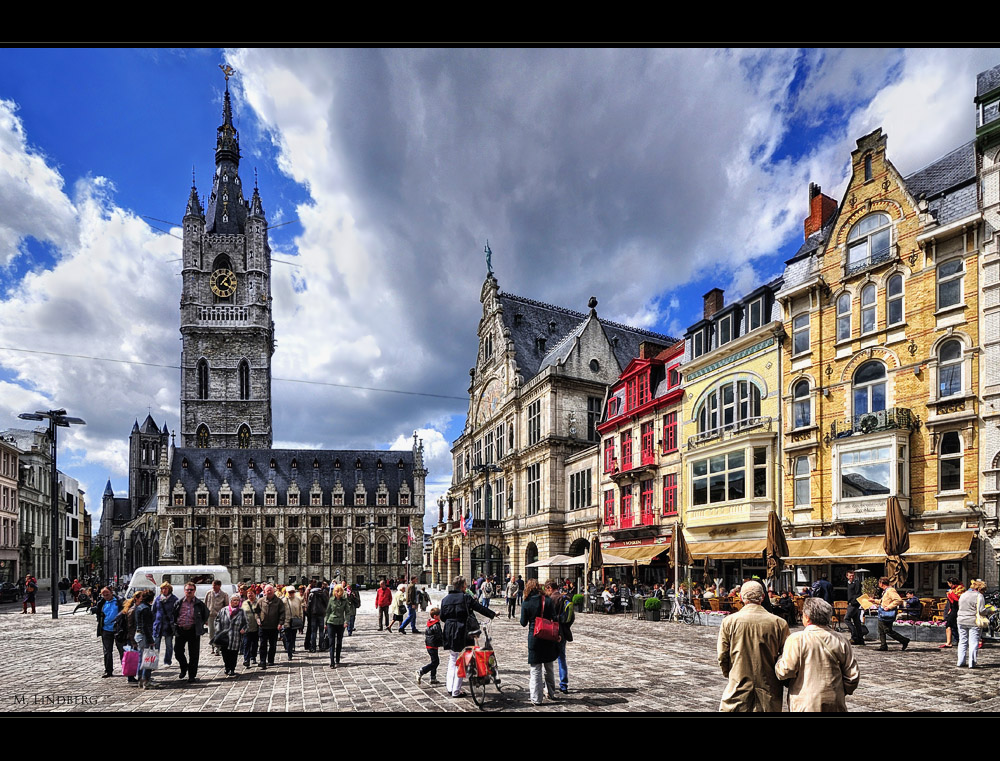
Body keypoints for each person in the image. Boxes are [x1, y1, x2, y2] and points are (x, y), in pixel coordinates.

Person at [774, 597, 860, 712]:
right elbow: (852, 676)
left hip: (805, 701)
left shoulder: (797, 639)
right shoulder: (841, 640)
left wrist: (779, 661)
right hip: (834, 700)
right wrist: (840, 691)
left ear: (807, 617)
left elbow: (785, 671)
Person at [717, 580, 790, 712]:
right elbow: (787, 657)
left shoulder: (729, 622)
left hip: (738, 683)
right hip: (769, 686)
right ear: (762, 597)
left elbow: (722, 655)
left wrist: (730, 674)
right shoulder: (779, 623)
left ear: (741, 597)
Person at [441, 575, 496, 698]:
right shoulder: (466, 598)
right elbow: (480, 608)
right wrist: (492, 614)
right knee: (462, 659)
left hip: (449, 630)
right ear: (463, 586)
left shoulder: (445, 599)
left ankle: (450, 687)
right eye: (465, 585)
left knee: (453, 658)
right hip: (462, 630)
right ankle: (456, 690)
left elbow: (443, 617)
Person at [521, 579, 560, 706]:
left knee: (536, 669)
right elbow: (554, 618)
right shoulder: (547, 600)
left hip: (534, 637)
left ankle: (536, 698)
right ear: (539, 587)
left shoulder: (526, 602)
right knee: (549, 667)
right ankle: (551, 692)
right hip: (548, 637)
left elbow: (523, 622)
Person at [174, 582, 210, 682]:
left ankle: (192, 676)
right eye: (187, 589)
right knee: (178, 651)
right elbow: (174, 614)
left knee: (194, 654)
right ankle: (184, 667)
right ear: (184, 591)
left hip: (193, 630)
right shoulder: (179, 602)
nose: (189, 591)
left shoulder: (198, 603)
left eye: (191, 590)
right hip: (181, 630)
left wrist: (200, 623)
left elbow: (206, 613)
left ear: (194, 591)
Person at [545, 579, 574, 694]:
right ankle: (564, 685)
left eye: (546, 590)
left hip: (552, 632)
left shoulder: (551, 599)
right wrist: (565, 627)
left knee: (548, 659)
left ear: (550, 588)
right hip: (563, 632)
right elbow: (571, 618)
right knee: (562, 658)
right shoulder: (565, 598)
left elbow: (547, 617)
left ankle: (549, 685)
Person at [92, 586, 125, 678]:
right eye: (104, 595)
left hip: (119, 630)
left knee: (122, 650)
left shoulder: (120, 601)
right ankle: (108, 671)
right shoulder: (101, 603)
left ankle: (125, 668)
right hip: (106, 629)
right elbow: (99, 614)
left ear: (112, 593)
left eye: (107, 594)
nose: (106, 596)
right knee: (107, 651)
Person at [213, 594, 247, 676]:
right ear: (230, 601)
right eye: (234, 600)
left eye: (237, 600)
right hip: (225, 635)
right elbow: (217, 620)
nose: (236, 602)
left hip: (236, 635)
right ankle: (227, 667)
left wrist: (244, 629)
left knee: (233, 653)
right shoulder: (224, 610)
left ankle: (232, 668)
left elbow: (246, 623)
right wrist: (218, 630)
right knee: (225, 652)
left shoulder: (241, 612)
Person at [957, 579, 987, 669]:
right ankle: (972, 662)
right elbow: (981, 610)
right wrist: (989, 610)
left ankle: (960, 661)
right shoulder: (979, 596)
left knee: (962, 641)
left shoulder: (963, 594)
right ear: (980, 589)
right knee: (973, 643)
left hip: (961, 620)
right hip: (973, 621)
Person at [874, 577, 910, 652]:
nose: (878, 584)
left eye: (879, 583)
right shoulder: (885, 591)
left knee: (887, 630)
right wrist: (874, 601)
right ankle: (883, 645)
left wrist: (889, 607)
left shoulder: (890, 590)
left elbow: (898, 600)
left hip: (887, 613)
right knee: (881, 630)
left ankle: (904, 640)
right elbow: (883, 601)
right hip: (882, 613)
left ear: (882, 583)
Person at [258, 584, 286, 669]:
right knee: (263, 644)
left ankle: (271, 660)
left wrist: (280, 623)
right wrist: (258, 619)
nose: (269, 592)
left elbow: (282, 613)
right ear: (265, 592)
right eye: (267, 590)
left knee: (272, 645)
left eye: (271, 590)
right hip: (263, 626)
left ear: (273, 591)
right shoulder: (261, 601)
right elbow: (256, 612)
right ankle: (262, 661)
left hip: (274, 627)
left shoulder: (278, 601)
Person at [152, 582, 179, 668]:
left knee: (169, 644)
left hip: (168, 625)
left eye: (165, 588)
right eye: (162, 589)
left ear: (169, 589)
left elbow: (177, 612)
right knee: (156, 645)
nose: (164, 590)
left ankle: (167, 661)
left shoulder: (174, 599)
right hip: (158, 625)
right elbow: (153, 611)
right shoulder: (158, 599)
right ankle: (154, 662)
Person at [325, 584, 351, 668]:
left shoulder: (344, 601)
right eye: (335, 591)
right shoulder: (331, 600)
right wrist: (325, 623)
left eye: (338, 591)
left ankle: (337, 659)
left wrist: (346, 621)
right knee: (331, 642)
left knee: (339, 642)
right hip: (331, 622)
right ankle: (332, 661)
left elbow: (347, 612)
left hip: (340, 623)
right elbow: (328, 612)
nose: (336, 593)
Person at [134, 589, 156, 689]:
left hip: (138, 634)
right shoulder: (146, 609)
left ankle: (140, 680)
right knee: (148, 659)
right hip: (144, 635)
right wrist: (151, 640)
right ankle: (146, 681)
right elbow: (146, 627)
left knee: (140, 659)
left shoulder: (138, 607)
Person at [417, 606, 443, 685]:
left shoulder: (430, 623)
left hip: (429, 644)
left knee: (434, 661)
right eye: (439, 615)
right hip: (433, 645)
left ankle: (433, 678)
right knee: (435, 662)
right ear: (435, 616)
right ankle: (421, 671)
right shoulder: (436, 625)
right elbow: (439, 635)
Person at [204, 579, 229, 657]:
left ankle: (217, 649)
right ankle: (213, 646)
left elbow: (226, 606)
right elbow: (205, 605)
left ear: (219, 586)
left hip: (219, 616)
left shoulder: (224, 594)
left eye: (215, 585)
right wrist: (205, 617)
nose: (213, 587)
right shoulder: (209, 593)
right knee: (211, 632)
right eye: (213, 585)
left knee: (218, 632)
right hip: (210, 615)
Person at [305, 581, 329, 651]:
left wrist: (308, 613)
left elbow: (308, 605)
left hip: (313, 614)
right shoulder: (323, 593)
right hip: (321, 614)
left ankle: (313, 647)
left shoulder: (311, 594)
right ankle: (321, 646)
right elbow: (327, 603)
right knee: (321, 631)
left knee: (313, 631)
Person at [241, 588, 261, 668]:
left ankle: (253, 657)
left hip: (256, 626)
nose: (250, 595)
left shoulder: (258, 602)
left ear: (255, 594)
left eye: (251, 593)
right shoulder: (244, 603)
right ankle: (246, 659)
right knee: (246, 644)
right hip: (247, 627)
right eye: (248, 593)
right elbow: (241, 614)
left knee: (255, 643)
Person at [844, 571, 866, 646]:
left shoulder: (856, 583)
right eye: (850, 576)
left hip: (854, 604)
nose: (851, 577)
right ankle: (860, 640)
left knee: (846, 619)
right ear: (847, 576)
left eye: (852, 576)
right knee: (857, 622)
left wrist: (853, 602)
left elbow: (858, 594)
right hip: (851, 604)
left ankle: (854, 635)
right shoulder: (848, 583)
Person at [282, 586, 303, 660]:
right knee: (288, 638)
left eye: (292, 592)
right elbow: (282, 612)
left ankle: (291, 648)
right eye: (290, 592)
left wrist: (301, 619)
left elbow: (300, 610)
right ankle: (289, 654)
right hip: (287, 621)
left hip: (295, 621)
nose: (291, 593)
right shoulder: (284, 600)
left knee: (293, 637)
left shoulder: (298, 600)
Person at [942, 577, 962, 649]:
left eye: (948, 583)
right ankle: (951, 641)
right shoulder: (953, 589)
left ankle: (949, 642)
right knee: (951, 625)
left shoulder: (960, 589)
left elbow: (957, 599)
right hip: (953, 608)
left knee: (950, 624)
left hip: (957, 608)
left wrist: (951, 593)